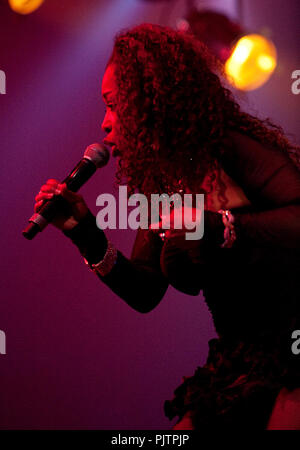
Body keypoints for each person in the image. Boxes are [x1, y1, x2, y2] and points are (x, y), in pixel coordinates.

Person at [33, 24, 300, 429]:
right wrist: (82, 231)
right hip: (239, 358)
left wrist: (222, 227)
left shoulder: (229, 147)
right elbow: (144, 290)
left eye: (113, 105)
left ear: (151, 103)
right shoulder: (164, 186)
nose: (105, 124)